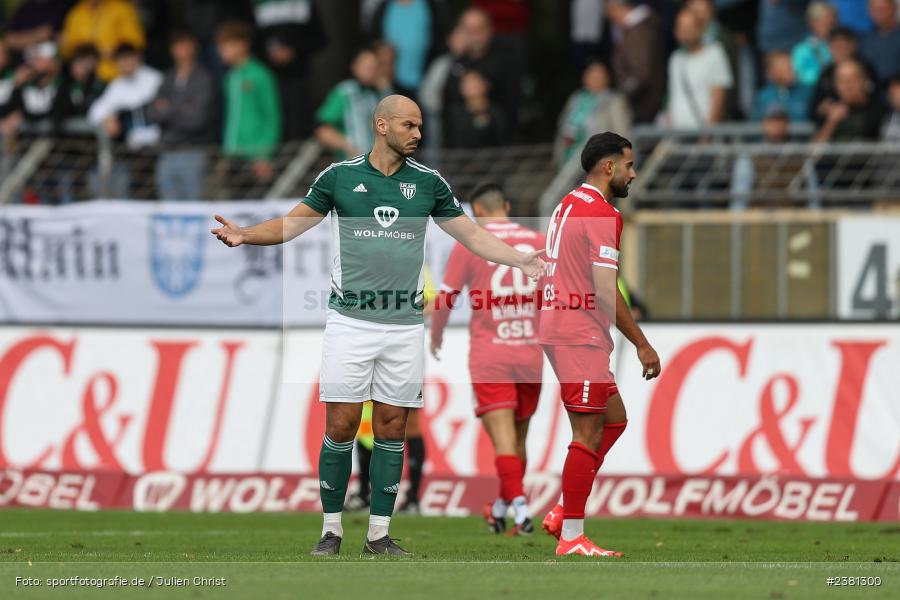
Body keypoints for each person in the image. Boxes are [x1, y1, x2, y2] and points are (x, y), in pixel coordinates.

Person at [210, 94, 546, 556]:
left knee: (393, 425)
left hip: (404, 326)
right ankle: (331, 530)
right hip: (350, 321)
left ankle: (378, 535)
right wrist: (246, 234)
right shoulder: (340, 177)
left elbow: (471, 234)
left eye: (420, 125)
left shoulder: (428, 183)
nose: (418, 134)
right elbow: (291, 225)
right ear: (381, 125)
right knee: (343, 423)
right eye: (409, 125)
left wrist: (521, 259)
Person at [539, 131, 661, 557]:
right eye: (628, 165)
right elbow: (606, 291)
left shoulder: (566, 204)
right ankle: (572, 536)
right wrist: (642, 344)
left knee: (613, 419)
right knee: (588, 431)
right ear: (608, 167)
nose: (633, 173)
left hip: (559, 324)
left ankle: (562, 509)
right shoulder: (602, 213)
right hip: (579, 332)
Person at [430, 182, 545, 536]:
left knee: (504, 442)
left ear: (477, 210)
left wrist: (436, 335)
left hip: (490, 354)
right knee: (518, 442)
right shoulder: (539, 241)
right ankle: (499, 508)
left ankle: (522, 511)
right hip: (531, 352)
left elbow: (447, 297)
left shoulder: (470, 243)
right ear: (507, 205)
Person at [148, 30, 216, 201]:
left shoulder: (204, 78)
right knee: (167, 207)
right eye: (178, 46)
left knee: (194, 207)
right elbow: (152, 113)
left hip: (193, 151)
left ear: (195, 48)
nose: (182, 50)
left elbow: (198, 119)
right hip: (167, 151)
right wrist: (183, 109)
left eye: (186, 45)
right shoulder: (167, 77)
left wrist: (168, 109)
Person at [216, 20, 281, 185]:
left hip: (255, 157)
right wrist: (225, 155)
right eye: (220, 46)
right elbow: (231, 118)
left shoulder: (260, 74)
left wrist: (264, 156)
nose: (221, 51)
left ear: (243, 45)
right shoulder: (230, 77)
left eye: (226, 45)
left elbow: (271, 116)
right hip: (233, 155)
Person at [555, 60, 631, 167]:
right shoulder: (576, 98)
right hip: (570, 158)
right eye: (592, 76)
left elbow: (622, 133)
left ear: (607, 79)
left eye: (599, 77)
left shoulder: (614, 101)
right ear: (584, 77)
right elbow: (563, 126)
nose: (595, 80)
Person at [666, 9, 733, 129]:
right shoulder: (675, 58)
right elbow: (673, 98)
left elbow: (719, 97)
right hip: (677, 134)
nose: (685, 31)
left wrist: (707, 135)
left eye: (689, 26)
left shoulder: (715, 53)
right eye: (681, 26)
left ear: (701, 28)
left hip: (702, 133)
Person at [87, 43, 162, 149]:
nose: (125, 63)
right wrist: (107, 118)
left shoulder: (155, 79)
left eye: (128, 58)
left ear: (137, 58)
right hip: (132, 147)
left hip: (160, 143)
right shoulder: (116, 85)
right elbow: (95, 111)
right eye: (121, 60)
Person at [315, 47, 383, 160]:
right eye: (366, 67)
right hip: (352, 165)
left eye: (374, 67)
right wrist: (349, 148)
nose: (370, 71)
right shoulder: (344, 93)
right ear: (354, 66)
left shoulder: (379, 94)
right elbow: (322, 129)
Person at [606, 0, 664, 124]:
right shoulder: (640, 28)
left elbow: (642, 73)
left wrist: (624, 95)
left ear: (615, 9)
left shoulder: (638, 32)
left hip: (643, 106)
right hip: (646, 103)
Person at [60, 0, 145, 82]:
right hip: (86, 78)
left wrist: (114, 51)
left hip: (117, 75)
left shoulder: (121, 9)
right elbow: (68, 47)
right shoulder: (76, 13)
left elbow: (135, 42)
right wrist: (81, 58)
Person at [814, 58, 884, 141]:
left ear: (864, 81)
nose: (847, 86)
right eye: (841, 80)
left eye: (853, 79)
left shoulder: (880, 112)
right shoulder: (829, 112)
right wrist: (831, 123)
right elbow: (813, 152)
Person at [445, 69, 507, 149]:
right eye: (467, 82)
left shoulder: (496, 113)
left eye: (475, 81)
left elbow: (503, 142)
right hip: (461, 159)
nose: (472, 86)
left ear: (485, 84)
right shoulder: (454, 114)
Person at [753, 51, 813, 121]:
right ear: (771, 73)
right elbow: (755, 124)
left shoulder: (809, 92)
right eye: (785, 68)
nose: (791, 71)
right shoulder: (763, 97)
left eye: (791, 67)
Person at [792, 2, 837, 86]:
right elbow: (800, 77)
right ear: (812, 23)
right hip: (812, 90)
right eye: (824, 23)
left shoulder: (841, 45)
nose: (829, 28)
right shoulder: (802, 49)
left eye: (831, 24)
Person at [3, 0, 72, 54]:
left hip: (52, 60)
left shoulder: (62, 6)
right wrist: (37, 35)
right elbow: (9, 39)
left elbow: (65, 39)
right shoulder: (24, 9)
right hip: (25, 64)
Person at [860, 0, 900, 82]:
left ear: (894, 9)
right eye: (875, 10)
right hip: (873, 90)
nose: (879, 14)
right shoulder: (865, 39)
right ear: (869, 12)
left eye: (883, 9)